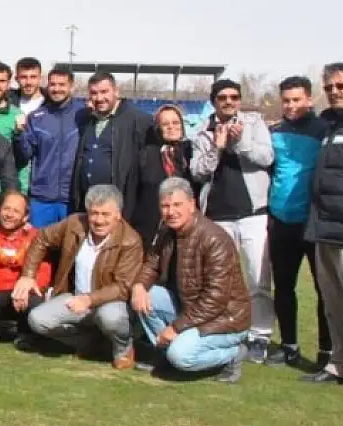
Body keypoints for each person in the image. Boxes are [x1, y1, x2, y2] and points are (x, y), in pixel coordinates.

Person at [130, 177, 252, 383]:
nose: (171, 212)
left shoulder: (215, 239)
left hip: (225, 319)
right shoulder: (167, 232)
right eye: (165, 206)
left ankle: (233, 354)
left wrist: (176, 327)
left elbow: (215, 300)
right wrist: (139, 286)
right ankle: (165, 352)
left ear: (192, 204)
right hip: (190, 309)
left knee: (181, 356)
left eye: (177, 205)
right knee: (146, 296)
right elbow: (152, 263)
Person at [191, 78, 275, 363]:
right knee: (219, 280)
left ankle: (260, 335)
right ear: (214, 101)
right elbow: (198, 172)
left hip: (253, 213)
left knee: (257, 279)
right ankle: (227, 329)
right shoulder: (202, 130)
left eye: (234, 97)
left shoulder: (254, 122)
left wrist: (239, 144)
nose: (229, 102)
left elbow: (266, 157)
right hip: (218, 216)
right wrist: (217, 147)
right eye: (223, 97)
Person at [21, 184, 144, 369]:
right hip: (75, 297)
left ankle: (123, 350)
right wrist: (28, 275)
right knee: (37, 320)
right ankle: (90, 343)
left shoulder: (131, 240)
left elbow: (123, 286)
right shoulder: (74, 223)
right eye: (94, 213)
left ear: (118, 215)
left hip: (109, 302)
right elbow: (42, 238)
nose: (99, 220)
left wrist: (89, 299)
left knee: (112, 318)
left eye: (105, 214)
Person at [268, 76, 331, 368]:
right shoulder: (275, 132)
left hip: (314, 221)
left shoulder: (324, 131)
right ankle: (289, 345)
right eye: (287, 100)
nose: (291, 105)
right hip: (281, 219)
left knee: (324, 289)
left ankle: (327, 351)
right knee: (283, 286)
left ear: (310, 99)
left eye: (297, 100)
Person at [303, 62, 343, 385]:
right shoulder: (327, 126)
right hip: (323, 229)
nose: (334, 91)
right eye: (329, 87)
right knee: (334, 307)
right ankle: (340, 366)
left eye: (341, 85)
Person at [0, 190, 51, 344]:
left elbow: (44, 269)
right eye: (6, 209)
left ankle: (25, 333)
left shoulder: (35, 236)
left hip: (18, 294)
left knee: (35, 301)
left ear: (25, 216)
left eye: (16, 211)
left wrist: (29, 286)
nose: (9, 214)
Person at [70, 71, 154, 222]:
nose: (99, 98)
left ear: (116, 91)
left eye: (104, 92)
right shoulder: (88, 119)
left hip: (118, 207)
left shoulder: (139, 120)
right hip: (87, 203)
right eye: (94, 93)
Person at [17, 68, 80, 227]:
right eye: (52, 84)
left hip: (72, 198)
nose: (57, 89)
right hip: (42, 198)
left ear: (71, 86)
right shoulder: (37, 117)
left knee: (70, 249)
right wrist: (20, 135)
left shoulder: (84, 115)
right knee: (40, 247)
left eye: (62, 84)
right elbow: (25, 155)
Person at [133, 105, 199, 248]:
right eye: (165, 124)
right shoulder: (145, 154)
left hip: (185, 224)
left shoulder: (191, 152)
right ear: (158, 128)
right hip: (151, 226)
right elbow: (134, 190)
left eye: (175, 123)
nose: (171, 127)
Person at [0, 60, 28, 189]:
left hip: (6, 189)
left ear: (8, 84)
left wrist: (22, 189)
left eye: (2, 81)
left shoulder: (17, 116)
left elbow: (23, 159)